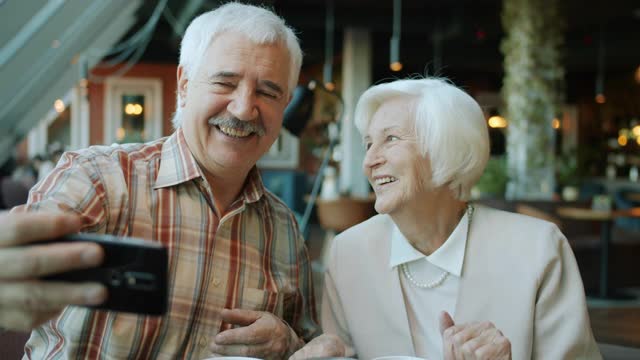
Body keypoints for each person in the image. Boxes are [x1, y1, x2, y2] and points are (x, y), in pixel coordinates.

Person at [0, 3, 320, 359]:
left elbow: (306, 343)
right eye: (225, 83)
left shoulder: (286, 230)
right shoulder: (98, 179)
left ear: (286, 104)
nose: (244, 108)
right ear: (184, 86)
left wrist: (289, 343)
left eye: (268, 92)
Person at [294, 77, 601, 359]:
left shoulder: (538, 249)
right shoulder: (350, 253)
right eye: (368, 143)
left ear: (446, 149)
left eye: (390, 139)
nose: (370, 161)